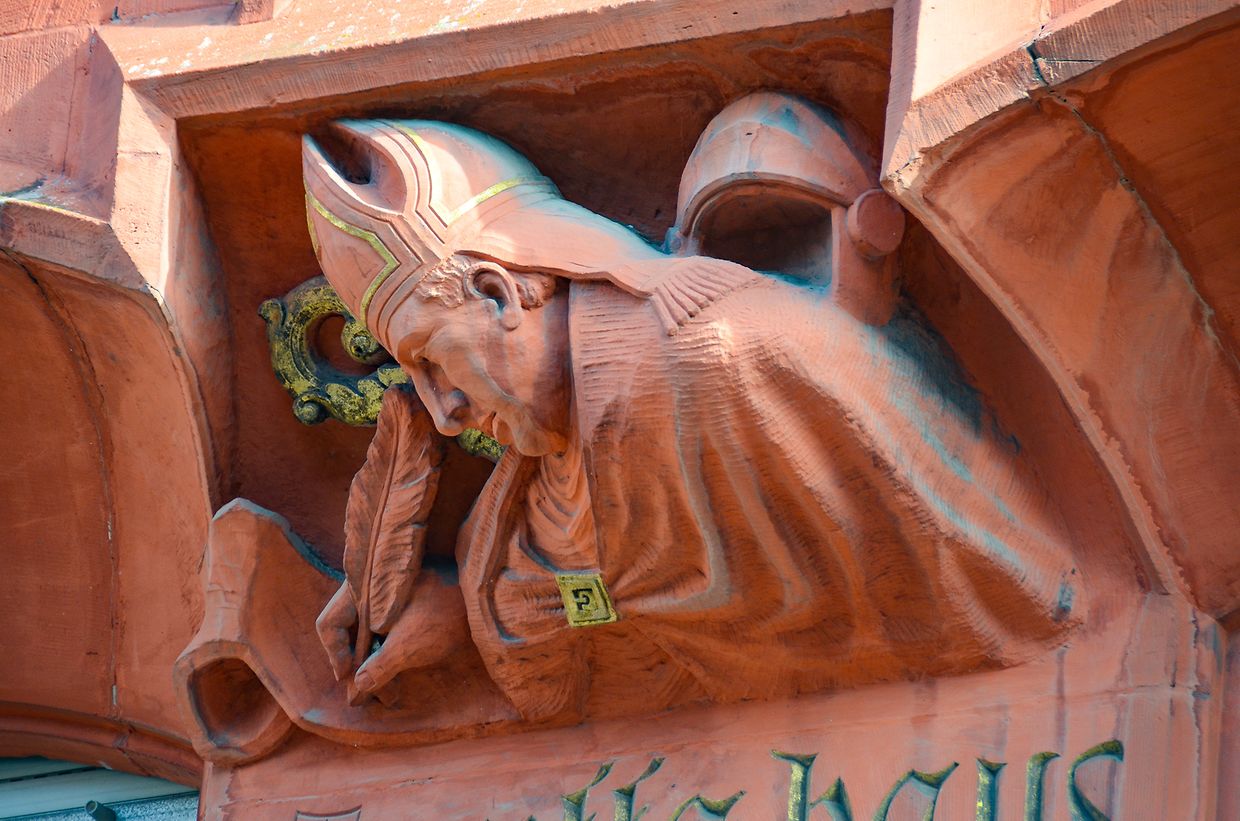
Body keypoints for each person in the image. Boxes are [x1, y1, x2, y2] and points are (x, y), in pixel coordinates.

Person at [304, 116, 1081, 723]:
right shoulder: (548, 471)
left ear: (500, 293)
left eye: (433, 359)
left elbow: (995, 590)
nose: (442, 413)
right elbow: (569, 616)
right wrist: (456, 611)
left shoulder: (731, 360)